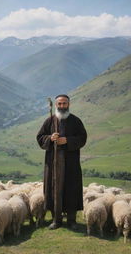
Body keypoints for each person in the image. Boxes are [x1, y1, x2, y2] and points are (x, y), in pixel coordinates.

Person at [36, 94, 87, 230]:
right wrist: (50, 138)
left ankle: (71, 220)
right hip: (53, 164)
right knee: (54, 190)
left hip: (71, 164)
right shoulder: (49, 121)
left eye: (64, 103)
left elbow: (83, 138)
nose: (62, 106)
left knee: (71, 190)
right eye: (59, 104)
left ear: (69, 104)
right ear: (56, 105)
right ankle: (56, 220)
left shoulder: (76, 121)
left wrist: (67, 141)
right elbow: (40, 137)